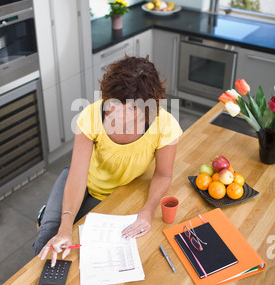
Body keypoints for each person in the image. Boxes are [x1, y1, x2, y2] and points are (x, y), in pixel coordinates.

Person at [34, 56, 182, 265]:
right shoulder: (91, 116)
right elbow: (77, 176)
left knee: (84, 244)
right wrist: (64, 226)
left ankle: (55, 212)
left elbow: (163, 173)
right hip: (81, 176)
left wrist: (148, 209)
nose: (120, 114)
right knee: (49, 238)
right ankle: (51, 213)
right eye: (115, 103)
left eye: (131, 108)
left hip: (112, 191)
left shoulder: (165, 125)